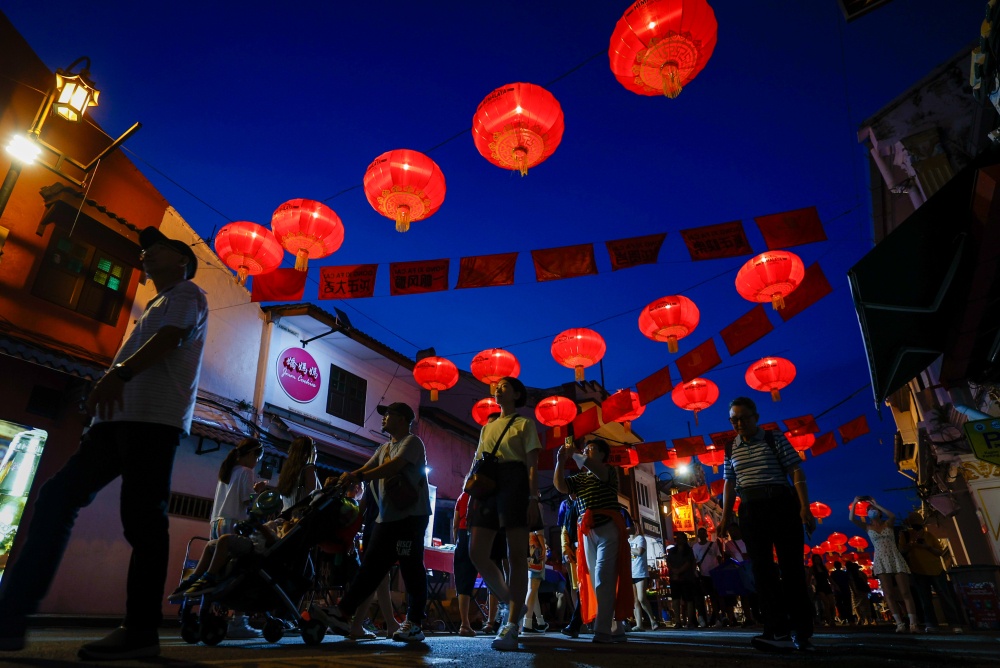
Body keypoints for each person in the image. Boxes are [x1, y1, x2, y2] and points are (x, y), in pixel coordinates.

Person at [0, 226, 207, 661]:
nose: (147, 254)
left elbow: (172, 338)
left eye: (159, 248)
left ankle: (140, 630)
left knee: (142, 521)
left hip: (152, 423)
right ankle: (11, 617)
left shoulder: (187, 294)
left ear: (181, 262)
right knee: (57, 497)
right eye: (146, 249)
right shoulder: (155, 303)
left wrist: (117, 375)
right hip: (113, 424)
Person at [319, 402, 430, 643]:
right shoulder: (383, 448)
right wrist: (347, 478)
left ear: (402, 419)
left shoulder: (412, 443)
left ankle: (415, 622)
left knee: (411, 567)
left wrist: (358, 476)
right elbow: (367, 468)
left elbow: (394, 466)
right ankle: (343, 613)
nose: (383, 419)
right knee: (370, 568)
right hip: (387, 518)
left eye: (388, 415)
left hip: (410, 518)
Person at [718, 396, 816, 653]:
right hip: (750, 509)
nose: (739, 423)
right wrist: (726, 516)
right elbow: (729, 483)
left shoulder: (774, 438)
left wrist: (804, 506)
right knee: (762, 571)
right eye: (734, 419)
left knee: (791, 568)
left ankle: (802, 633)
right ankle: (777, 630)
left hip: (781, 504)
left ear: (756, 417)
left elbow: (795, 469)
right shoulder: (730, 448)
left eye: (744, 418)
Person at [465, 376, 542, 651]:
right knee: (476, 552)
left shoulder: (525, 424)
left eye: (505, 387)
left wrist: (534, 498)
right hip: (487, 483)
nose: (498, 389)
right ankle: (514, 602)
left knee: (516, 555)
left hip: (515, 482)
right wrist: (468, 486)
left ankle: (510, 625)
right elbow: (477, 458)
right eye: (497, 387)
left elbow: (532, 465)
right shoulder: (488, 425)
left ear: (517, 394)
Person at [553, 438, 633, 644]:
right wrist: (560, 461)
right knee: (593, 579)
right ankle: (616, 627)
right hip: (587, 532)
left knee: (603, 577)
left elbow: (593, 468)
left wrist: (575, 454)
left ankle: (602, 630)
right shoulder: (580, 478)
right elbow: (561, 486)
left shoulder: (608, 471)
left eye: (592, 449)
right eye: (586, 448)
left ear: (602, 455)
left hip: (608, 528)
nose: (587, 451)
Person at [208, 437, 268, 638]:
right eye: (256, 458)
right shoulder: (246, 471)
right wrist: (257, 491)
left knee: (219, 571)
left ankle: (208, 611)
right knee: (241, 570)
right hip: (234, 524)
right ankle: (238, 620)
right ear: (251, 455)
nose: (256, 463)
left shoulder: (227, 471)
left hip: (217, 523)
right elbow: (247, 501)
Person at [849, 496, 919, 633]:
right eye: (869, 510)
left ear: (879, 512)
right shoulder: (867, 527)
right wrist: (855, 502)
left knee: (905, 592)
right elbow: (852, 519)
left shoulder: (888, 523)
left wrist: (876, 504)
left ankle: (913, 623)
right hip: (881, 559)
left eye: (873, 510)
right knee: (888, 593)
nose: (871, 511)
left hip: (895, 556)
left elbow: (892, 515)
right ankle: (899, 623)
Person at [898, 512, 964, 633]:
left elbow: (939, 552)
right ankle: (931, 624)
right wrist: (911, 544)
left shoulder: (928, 535)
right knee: (925, 598)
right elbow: (901, 551)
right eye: (914, 524)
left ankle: (954, 623)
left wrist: (927, 547)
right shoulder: (905, 535)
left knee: (944, 597)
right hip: (917, 570)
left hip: (936, 569)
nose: (917, 526)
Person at [452, 490, 478, 637]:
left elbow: (455, 524)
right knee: (475, 578)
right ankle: (492, 621)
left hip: (462, 536)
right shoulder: (480, 494)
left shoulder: (461, 496)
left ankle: (464, 623)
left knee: (462, 581)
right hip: (476, 535)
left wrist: (456, 541)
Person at [628, 523, 660, 631]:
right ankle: (639, 624)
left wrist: (627, 548)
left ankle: (652, 620)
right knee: (634, 600)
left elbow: (639, 551)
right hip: (630, 572)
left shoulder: (640, 539)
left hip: (640, 572)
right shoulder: (627, 540)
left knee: (642, 598)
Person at [666, 533, 700, 628]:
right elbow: (668, 562)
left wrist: (678, 571)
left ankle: (690, 621)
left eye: (681, 538)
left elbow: (689, 563)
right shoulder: (672, 551)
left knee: (689, 599)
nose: (679, 540)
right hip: (675, 578)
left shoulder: (689, 551)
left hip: (686, 577)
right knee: (676, 599)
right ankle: (678, 621)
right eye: (678, 538)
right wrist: (674, 571)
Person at [277, 436, 320, 511]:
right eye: (315, 451)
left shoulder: (287, 470)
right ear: (307, 453)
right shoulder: (308, 469)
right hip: (298, 517)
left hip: (284, 515)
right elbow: (312, 497)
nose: (316, 455)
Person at [692, 527, 721, 627]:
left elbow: (719, 557)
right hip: (703, 575)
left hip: (714, 573)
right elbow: (694, 561)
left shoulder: (713, 545)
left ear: (706, 535)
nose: (702, 535)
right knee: (703, 596)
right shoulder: (695, 547)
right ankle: (706, 617)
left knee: (714, 596)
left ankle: (717, 617)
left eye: (703, 533)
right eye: (700, 533)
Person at [522, 528, 549, 633]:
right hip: (535, 549)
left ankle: (540, 622)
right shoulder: (535, 512)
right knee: (533, 587)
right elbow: (539, 531)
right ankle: (527, 623)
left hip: (526, 547)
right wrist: (543, 548)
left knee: (533, 590)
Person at [808, 554, 836, 628]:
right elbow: (808, 578)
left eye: (818, 559)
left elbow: (828, 577)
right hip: (819, 587)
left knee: (832, 603)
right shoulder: (812, 568)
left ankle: (831, 617)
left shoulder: (824, 568)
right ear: (813, 561)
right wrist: (808, 586)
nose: (817, 561)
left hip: (827, 586)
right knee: (826, 603)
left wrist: (835, 585)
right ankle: (830, 620)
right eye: (816, 559)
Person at [829, 560, 853, 625]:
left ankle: (843, 618)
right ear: (840, 566)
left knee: (839, 605)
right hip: (846, 590)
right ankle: (850, 619)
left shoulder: (833, 574)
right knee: (847, 604)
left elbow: (832, 583)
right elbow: (849, 581)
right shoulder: (844, 573)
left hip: (837, 591)